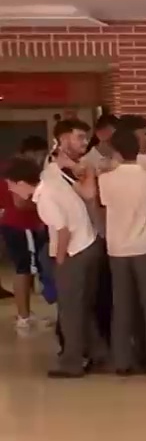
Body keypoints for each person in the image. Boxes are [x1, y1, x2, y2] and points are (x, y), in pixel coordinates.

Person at [11, 125, 107, 378]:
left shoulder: (45, 196)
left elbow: (63, 230)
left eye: (12, 186)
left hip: (76, 252)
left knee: (71, 310)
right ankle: (99, 353)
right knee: (82, 307)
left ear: (22, 183)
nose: (11, 191)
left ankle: (72, 363)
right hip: (89, 245)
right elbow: (56, 161)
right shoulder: (53, 177)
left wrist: (61, 261)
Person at [97, 127, 146, 375]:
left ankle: (122, 361)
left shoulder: (105, 178)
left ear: (115, 150)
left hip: (117, 248)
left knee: (122, 305)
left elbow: (104, 204)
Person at [2, 135, 54, 333]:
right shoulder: (20, 169)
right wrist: (44, 201)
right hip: (22, 225)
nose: (42, 157)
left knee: (24, 268)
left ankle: (25, 314)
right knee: (24, 270)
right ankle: (23, 317)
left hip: (14, 224)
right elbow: (20, 201)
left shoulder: (10, 167)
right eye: (41, 153)